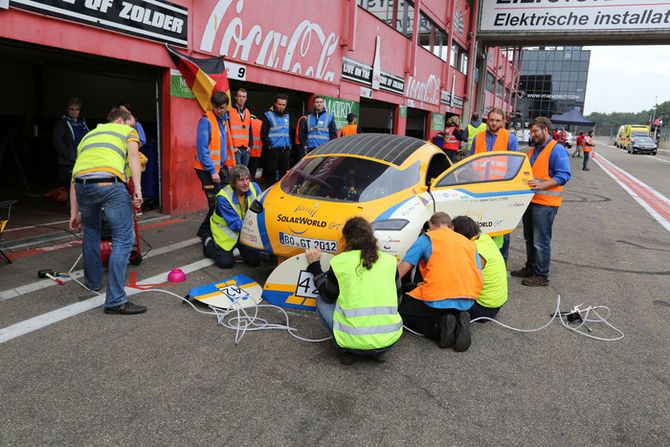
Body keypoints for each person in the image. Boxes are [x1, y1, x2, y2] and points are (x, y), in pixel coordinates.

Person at [68, 107, 145, 315]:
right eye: (132, 124)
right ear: (121, 121)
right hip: (110, 184)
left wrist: (73, 212)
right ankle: (116, 300)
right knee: (123, 239)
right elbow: (134, 157)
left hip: (83, 186)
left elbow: (75, 174)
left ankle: (92, 283)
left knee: (91, 232)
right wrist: (137, 189)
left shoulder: (88, 136)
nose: (134, 128)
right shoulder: (127, 131)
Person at [305, 217, 402, 365]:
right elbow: (398, 299)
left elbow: (327, 296)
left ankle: (347, 351)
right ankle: (376, 350)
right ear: (371, 236)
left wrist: (315, 267)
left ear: (346, 239)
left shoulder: (340, 262)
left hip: (351, 342)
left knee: (321, 300)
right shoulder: (390, 261)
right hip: (388, 341)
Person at [397, 212, 483, 352]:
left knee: (404, 314)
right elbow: (479, 275)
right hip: (467, 298)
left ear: (430, 225)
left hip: (437, 296)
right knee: (443, 302)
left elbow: (402, 271)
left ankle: (439, 328)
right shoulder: (469, 243)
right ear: (451, 227)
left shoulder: (427, 238)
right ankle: (459, 317)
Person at [511, 116, 571, 287]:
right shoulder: (533, 150)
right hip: (530, 200)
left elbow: (564, 175)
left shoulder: (556, 150)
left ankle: (542, 275)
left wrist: (542, 184)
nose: (533, 135)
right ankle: (530, 267)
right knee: (529, 238)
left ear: (545, 130)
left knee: (541, 240)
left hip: (545, 203)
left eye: (535, 131)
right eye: (531, 132)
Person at [470, 107, 520, 262]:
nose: (494, 123)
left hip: (500, 191)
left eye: (497, 120)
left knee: (501, 228)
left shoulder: (510, 138)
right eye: (491, 120)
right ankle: (480, 260)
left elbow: (514, 165)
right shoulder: (478, 137)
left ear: (503, 121)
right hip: (479, 189)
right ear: (487, 120)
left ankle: (501, 262)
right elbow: (471, 162)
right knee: (480, 225)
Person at [203, 165, 262, 269]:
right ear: (234, 182)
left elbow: (263, 209)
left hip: (244, 230)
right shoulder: (223, 197)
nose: (246, 183)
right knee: (225, 263)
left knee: (254, 261)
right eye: (241, 180)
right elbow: (235, 224)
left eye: (247, 178)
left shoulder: (254, 187)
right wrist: (256, 229)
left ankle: (239, 248)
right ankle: (208, 241)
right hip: (226, 232)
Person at [195, 91, 235, 240]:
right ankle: (206, 232)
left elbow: (225, 145)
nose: (219, 110)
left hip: (220, 168)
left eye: (222, 107)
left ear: (226, 107)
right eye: (216, 107)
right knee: (215, 203)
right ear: (212, 105)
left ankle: (207, 231)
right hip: (206, 170)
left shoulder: (224, 120)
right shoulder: (206, 121)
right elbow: (202, 149)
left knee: (224, 200)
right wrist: (212, 171)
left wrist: (229, 164)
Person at [452, 216, 508, 321]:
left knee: (440, 301)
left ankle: (458, 321)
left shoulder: (473, 251)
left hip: (483, 308)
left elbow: (460, 281)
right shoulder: (484, 238)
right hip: (495, 303)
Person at [53, 97, 90, 186]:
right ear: (67, 110)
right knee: (68, 189)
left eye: (77, 109)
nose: (74, 111)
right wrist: (69, 155)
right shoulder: (62, 123)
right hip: (68, 162)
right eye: (72, 109)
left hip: (82, 160)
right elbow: (57, 141)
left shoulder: (82, 122)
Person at [261, 93, 291, 186]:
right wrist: (269, 147)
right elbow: (263, 134)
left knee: (284, 177)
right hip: (273, 152)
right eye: (279, 104)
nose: (281, 107)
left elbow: (288, 133)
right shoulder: (268, 115)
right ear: (275, 103)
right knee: (270, 176)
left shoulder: (287, 116)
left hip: (284, 151)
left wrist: (289, 147)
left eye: (283, 105)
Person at [228, 88, 252, 167]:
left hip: (246, 149)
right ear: (235, 97)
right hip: (235, 149)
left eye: (244, 97)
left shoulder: (247, 112)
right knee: (237, 173)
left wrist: (250, 146)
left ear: (246, 98)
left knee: (244, 173)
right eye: (239, 96)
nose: (242, 99)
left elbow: (250, 130)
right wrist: (232, 147)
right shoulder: (229, 111)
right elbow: (227, 131)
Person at [247, 115, 263, 180]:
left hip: (247, 151)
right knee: (253, 174)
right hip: (257, 152)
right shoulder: (261, 123)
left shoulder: (246, 121)